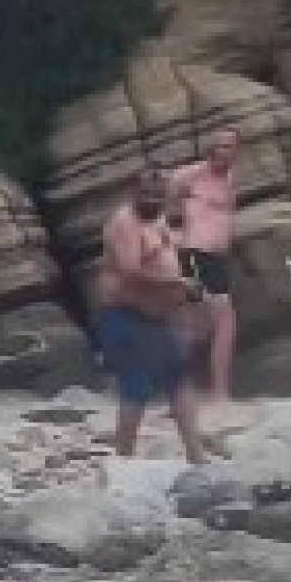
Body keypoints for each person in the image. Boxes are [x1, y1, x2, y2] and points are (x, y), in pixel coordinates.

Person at [95, 169, 207, 463]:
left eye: (157, 195)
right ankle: (123, 461)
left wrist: (184, 307)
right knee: (136, 388)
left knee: (179, 379)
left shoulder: (157, 218)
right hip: (126, 315)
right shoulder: (123, 223)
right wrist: (177, 284)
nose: (151, 200)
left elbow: (169, 261)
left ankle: (196, 455)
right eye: (144, 194)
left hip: (160, 319)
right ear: (132, 192)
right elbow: (129, 271)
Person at [169, 128, 242, 399]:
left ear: (237, 150)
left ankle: (179, 390)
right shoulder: (190, 175)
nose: (223, 152)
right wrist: (176, 237)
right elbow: (166, 206)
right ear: (209, 149)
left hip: (216, 258)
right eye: (219, 146)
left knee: (194, 328)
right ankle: (219, 392)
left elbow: (225, 217)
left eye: (229, 147)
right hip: (196, 255)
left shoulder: (230, 179)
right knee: (224, 321)